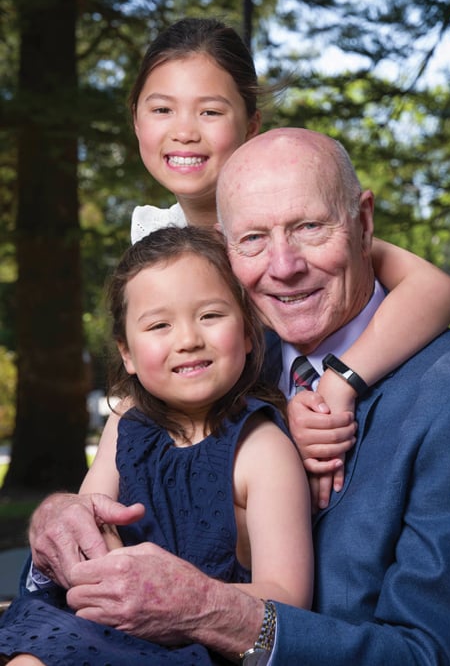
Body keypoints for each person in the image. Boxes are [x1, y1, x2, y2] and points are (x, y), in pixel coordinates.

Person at [26, 129, 450, 664]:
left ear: (364, 223)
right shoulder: (223, 361)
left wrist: (210, 610)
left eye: (310, 227)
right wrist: (58, 517)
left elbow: (435, 653)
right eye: (252, 238)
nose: (284, 265)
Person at [126, 17, 450, 500]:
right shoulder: (154, 238)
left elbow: (439, 289)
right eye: (162, 109)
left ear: (252, 125)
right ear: (135, 118)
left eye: (210, 112)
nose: (184, 132)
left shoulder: (295, 218)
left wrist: (341, 382)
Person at [0, 225, 313, 664]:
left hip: (191, 645)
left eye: (210, 315)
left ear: (247, 332)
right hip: (99, 620)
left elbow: (288, 600)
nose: (187, 340)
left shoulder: (261, 450)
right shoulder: (127, 423)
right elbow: (90, 520)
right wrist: (102, 567)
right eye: (159, 324)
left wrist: (180, 598)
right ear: (126, 353)